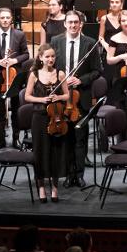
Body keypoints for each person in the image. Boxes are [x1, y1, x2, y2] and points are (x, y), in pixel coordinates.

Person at [48, 10, 97, 185]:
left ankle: (80, 174)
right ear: (65, 24)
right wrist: (61, 78)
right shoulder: (55, 41)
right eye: (70, 22)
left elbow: (97, 70)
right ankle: (69, 174)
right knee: (66, 138)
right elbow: (50, 66)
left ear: (81, 24)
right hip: (62, 98)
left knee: (80, 138)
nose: (73, 25)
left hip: (80, 98)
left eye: (76, 22)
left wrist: (80, 79)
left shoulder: (90, 43)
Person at [25, 44, 66, 201]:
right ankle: (41, 188)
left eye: (53, 56)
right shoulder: (34, 74)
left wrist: (59, 97)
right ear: (40, 57)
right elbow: (27, 96)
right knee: (40, 152)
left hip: (56, 118)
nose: (50, 59)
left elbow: (67, 95)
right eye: (47, 56)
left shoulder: (60, 74)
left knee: (55, 152)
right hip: (40, 117)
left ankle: (55, 188)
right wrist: (42, 99)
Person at [0, 8, 28, 148]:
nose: (5, 20)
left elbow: (26, 54)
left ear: (11, 19)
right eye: (2, 18)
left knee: (16, 108)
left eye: (7, 18)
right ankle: (0, 139)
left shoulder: (19, 34)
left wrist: (14, 61)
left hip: (15, 75)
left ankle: (16, 138)